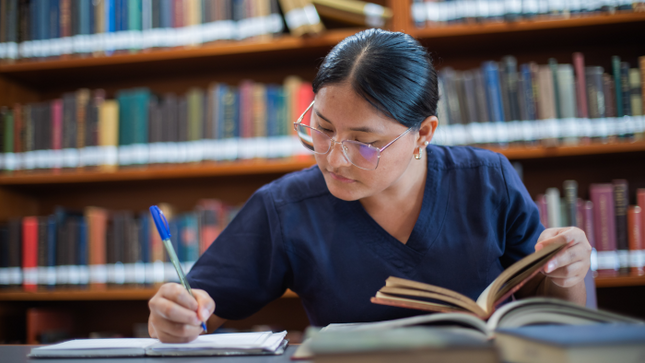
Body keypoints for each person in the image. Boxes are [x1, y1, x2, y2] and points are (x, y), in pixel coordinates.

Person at [148, 29, 591, 343]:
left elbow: (557, 318)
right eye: (321, 129)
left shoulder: (487, 180)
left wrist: (570, 269)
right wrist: (176, 318)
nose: (333, 158)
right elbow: (200, 312)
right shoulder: (286, 207)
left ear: (424, 133)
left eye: (365, 143)